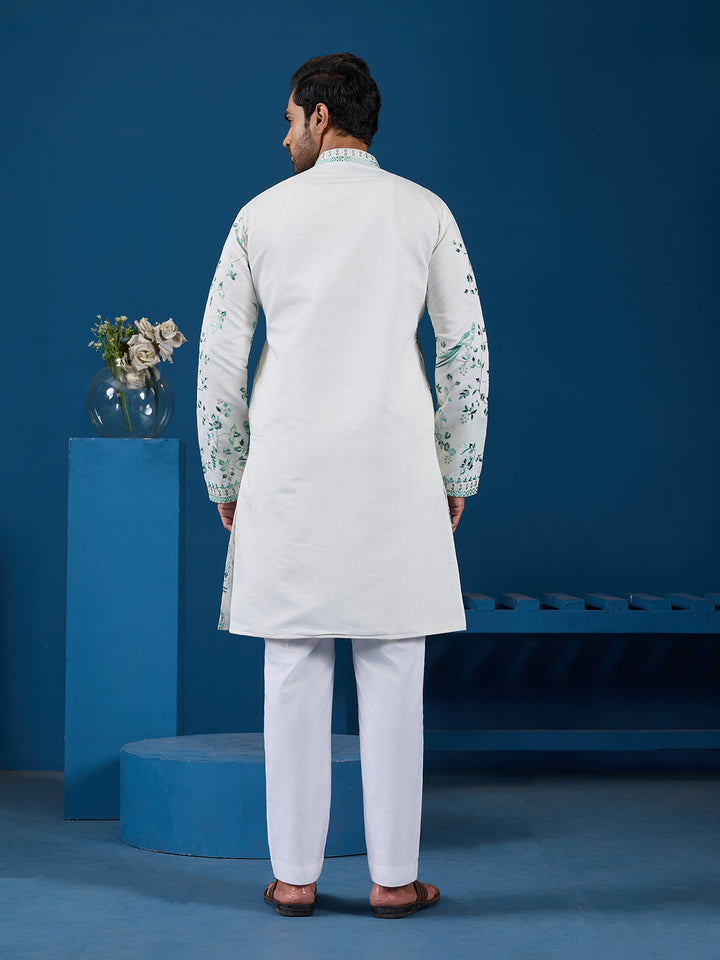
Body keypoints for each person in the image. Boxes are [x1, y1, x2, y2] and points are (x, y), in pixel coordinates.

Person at [196, 52, 489, 919]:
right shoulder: (424, 211)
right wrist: (456, 467)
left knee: (292, 664)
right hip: (396, 471)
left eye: (290, 118)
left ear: (322, 118)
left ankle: (294, 878)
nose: (285, 133)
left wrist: (226, 471)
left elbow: (219, 359)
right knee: (395, 665)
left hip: (287, 471)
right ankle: (394, 880)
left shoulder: (260, 216)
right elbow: (464, 351)